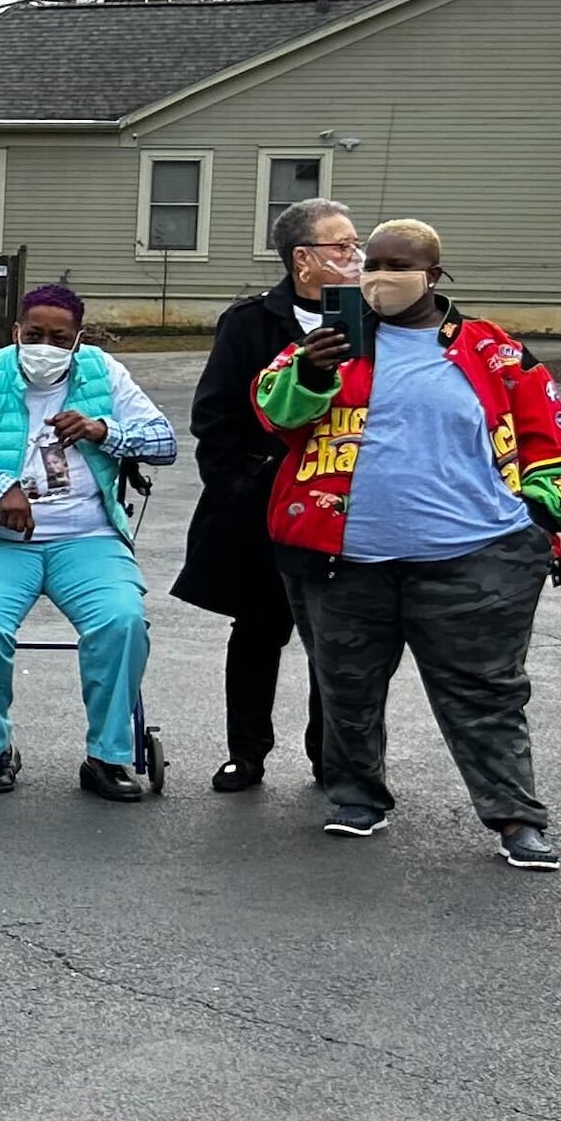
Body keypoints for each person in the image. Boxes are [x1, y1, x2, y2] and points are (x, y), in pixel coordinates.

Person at [257, 217, 561, 868]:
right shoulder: (332, 341)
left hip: (476, 559)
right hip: (342, 561)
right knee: (347, 688)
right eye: (371, 263)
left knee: (486, 695)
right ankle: (356, 798)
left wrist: (540, 515)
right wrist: (310, 370)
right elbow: (274, 415)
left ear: (433, 276)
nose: (379, 277)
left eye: (396, 265)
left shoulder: (492, 351)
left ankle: (516, 819)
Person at [0, 283, 174, 797]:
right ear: (16, 332)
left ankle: (107, 755)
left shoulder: (104, 374)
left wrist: (105, 431)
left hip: (87, 536)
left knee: (122, 621)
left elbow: (164, 441)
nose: (45, 346)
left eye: (60, 338)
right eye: (34, 334)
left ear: (78, 340)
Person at [178, 200, 358, 791]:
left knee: (333, 637)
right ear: (302, 259)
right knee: (258, 629)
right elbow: (214, 416)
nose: (355, 258)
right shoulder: (251, 322)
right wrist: (240, 483)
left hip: (344, 505)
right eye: (342, 247)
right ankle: (246, 752)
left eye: (357, 246)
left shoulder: (373, 322)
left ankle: (329, 756)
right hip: (263, 504)